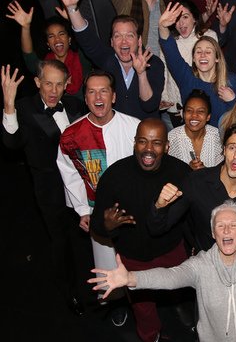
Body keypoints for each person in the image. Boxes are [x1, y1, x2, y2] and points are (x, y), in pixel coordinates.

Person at [90, 200, 236, 342]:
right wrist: (130, 277)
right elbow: (170, 276)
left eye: (233, 225)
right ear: (213, 233)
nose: (226, 229)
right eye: (220, 225)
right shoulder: (201, 264)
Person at [90, 119, 191, 342]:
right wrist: (106, 226)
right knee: (144, 309)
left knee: (178, 293)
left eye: (156, 143)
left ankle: (179, 311)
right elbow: (97, 223)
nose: (148, 149)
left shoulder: (181, 172)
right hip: (133, 257)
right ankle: (150, 336)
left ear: (166, 146)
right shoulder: (115, 175)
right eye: (143, 141)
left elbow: (191, 217)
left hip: (171, 251)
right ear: (134, 143)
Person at [2, 62, 86, 315]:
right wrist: (8, 103)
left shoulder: (74, 106)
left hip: (80, 187)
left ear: (67, 84)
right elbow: (11, 143)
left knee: (85, 239)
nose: (53, 90)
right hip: (49, 190)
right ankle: (70, 292)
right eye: (48, 83)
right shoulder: (25, 108)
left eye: (59, 84)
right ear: (38, 82)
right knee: (60, 243)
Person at [57, 70, 140, 325]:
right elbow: (69, 174)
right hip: (97, 212)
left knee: (137, 259)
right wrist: (83, 209)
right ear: (85, 98)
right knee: (106, 264)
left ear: (113, 96)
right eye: (91, 91)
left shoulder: (134, 126)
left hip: (134, 210)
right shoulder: (72, 135)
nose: (98, 96)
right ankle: (115, 302)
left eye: (103, 90)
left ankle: (143, 305)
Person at [148, 123, 236, 258]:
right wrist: (160, 206)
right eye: (232, 147)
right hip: (205, 265)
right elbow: (157, 229)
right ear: (224, 150)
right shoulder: (196, 182)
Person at [53, 0, 165, 120]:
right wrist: (73, 8)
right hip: (113, 135)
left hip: (144, 138)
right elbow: (87, 38)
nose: (123, 42)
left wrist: (141, 73)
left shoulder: (154, 64)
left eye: (129, 36)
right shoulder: (107, 60)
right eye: (118, 36)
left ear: (139, 40)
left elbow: (150, 106)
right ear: (111, 42)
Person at [158, 1, 236, 125]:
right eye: (198, 52)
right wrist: (162, 26)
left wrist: (232, 101)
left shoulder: (231, 81)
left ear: (217, 57)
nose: (202, 55)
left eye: (208, 52)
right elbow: (171, 52)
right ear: (193, 58)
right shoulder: (187, 78)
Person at [6, 0, 90, 96]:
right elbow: (29, 56)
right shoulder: (45, 66)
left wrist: (73, 18)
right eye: (51, 36)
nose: (57, 39)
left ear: (69, 39)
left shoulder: (82, 59)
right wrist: (25, 27)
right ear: (48, 44)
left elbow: (87, 41)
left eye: (61, 34)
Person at [168, 89, 223, 169]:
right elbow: (168, 173)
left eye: (200, 111)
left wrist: (206, 172)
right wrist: (187, 169)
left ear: (208, 117)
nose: (194, 115)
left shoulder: (218, 137)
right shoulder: (172, 138)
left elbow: (222, 172)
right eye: (189, 110)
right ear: (183, 114)